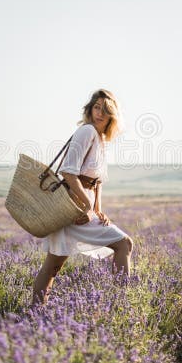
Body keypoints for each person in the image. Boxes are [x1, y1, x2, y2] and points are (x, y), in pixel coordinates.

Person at [31, 89, 134, 305]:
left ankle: (34, 313)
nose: (100, 113)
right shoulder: (86, 132)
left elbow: (96, 181)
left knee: (53, 266)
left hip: (81, 206)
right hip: (72, 206)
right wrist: (86, 206)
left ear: (112, 117)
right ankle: (122, 305)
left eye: (105, 110)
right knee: (124, 244)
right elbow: (68, 172)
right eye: (96, 107)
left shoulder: (100, 140)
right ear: (90, 109)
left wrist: (97, 209)